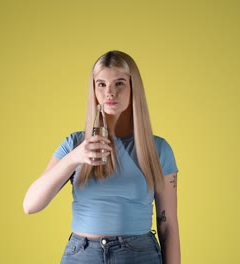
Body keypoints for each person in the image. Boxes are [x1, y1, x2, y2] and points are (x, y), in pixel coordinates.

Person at [23, 50, 180, 264]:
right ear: (94, 89)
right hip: (82, 255)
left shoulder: (158, 149)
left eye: (119, 83)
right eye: (101, 84)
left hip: (139, 255)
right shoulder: (75, 145)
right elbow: (30, 205)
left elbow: (168, 224)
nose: (110, 93)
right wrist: (74, 158)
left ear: (134, 87)